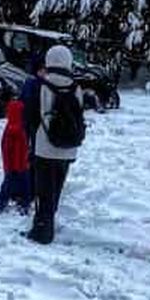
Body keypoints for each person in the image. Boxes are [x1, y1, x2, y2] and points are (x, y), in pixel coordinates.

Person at [27, 45, 85, 245]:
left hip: (44, 147)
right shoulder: (76, 86)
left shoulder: (41, 85)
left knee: (43, 191)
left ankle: (42, 231)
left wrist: (32, 142)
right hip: (68, 147)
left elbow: (32, 117)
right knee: (57, 188)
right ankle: (48, 222)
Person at [0, 99, 32, 213]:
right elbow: (17, 150)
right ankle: (22, 203)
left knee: (9, 183)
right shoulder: (18, 129)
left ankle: (2, 202)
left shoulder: (10, 127)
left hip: (13, 164)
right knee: (22, 185)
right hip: (19, 164)